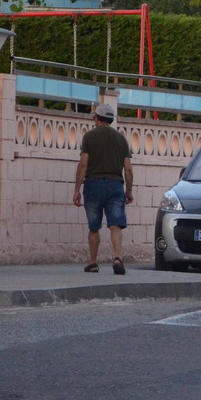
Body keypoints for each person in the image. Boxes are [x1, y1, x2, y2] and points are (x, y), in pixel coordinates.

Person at [73, 103, 134, 274]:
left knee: (94, 227)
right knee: (115, 225)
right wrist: (128, 191)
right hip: (115, 185)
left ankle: (93, 263)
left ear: (98, 119)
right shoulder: (121, 139)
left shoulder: (89, 137)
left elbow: (83, 164)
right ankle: (117, 258)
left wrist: (77, 189)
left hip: (93, 185)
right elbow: (128, 168)